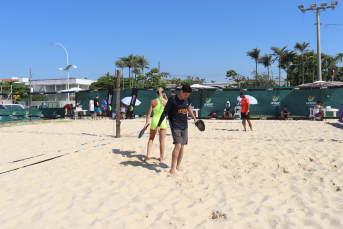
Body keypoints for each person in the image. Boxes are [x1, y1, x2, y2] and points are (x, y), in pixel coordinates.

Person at [156, 84, 197, 176]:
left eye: (188, 95)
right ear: (181, 91)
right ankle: (172, 169)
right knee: (178, 146)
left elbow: (189, 108)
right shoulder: (172, 99)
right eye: (186, 95)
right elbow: (164, 112)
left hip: (184, 125)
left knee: (182, 146)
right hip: (175, 125)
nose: (187, 97)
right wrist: (158, 125)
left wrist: (194, 118)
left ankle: (178, 166)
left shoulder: (188, 99)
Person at [143, 87, 168, 162]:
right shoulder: (166, 101)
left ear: (156, 93)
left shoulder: (153, 101)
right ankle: (161, 158)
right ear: (163, 93)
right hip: (163, 122)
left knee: (151, 138)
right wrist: (165, 97)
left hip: (154, 121)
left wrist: (146, 123)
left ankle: (148, 155)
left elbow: (149, 113)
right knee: (162, 141)